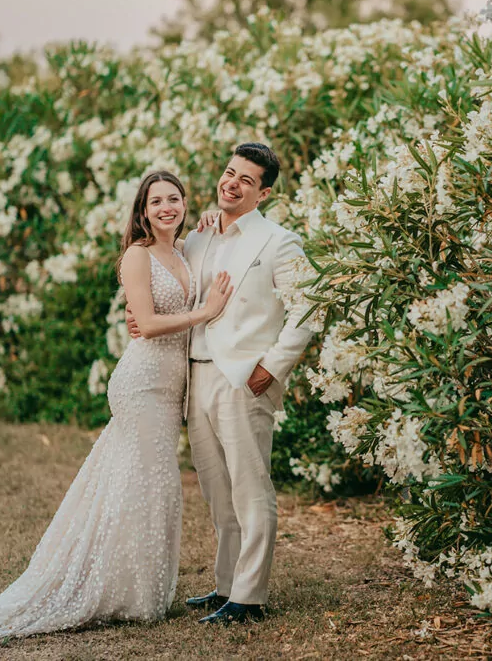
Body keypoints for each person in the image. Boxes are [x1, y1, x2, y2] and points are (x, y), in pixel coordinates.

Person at [0, 171, 233, 639]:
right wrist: (203, 313)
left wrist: (212, 217)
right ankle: (119, 591)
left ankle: (136, 588)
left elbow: (211, 238)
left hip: (172, 389)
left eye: (174, 199)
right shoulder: (137, 256)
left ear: (185, 204)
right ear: (143, 211)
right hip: (142, 381)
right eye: (156, 202)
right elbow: (145, 324)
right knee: (151, 482)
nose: (166, 207)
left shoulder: (186, 250)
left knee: (144, 484)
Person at [127, 143, 314, 625]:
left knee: (250, 488)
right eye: (229, 173)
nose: (232, 183)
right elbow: (172, 288)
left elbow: (309, 309)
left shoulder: (279, 241)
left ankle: (250, 598)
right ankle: (227, 585)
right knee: (216, 490)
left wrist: (271, 369)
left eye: (246, 180)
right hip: (193, 375)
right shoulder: (198, 237)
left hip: (243, 380)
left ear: (264, 192)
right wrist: (136, 315)